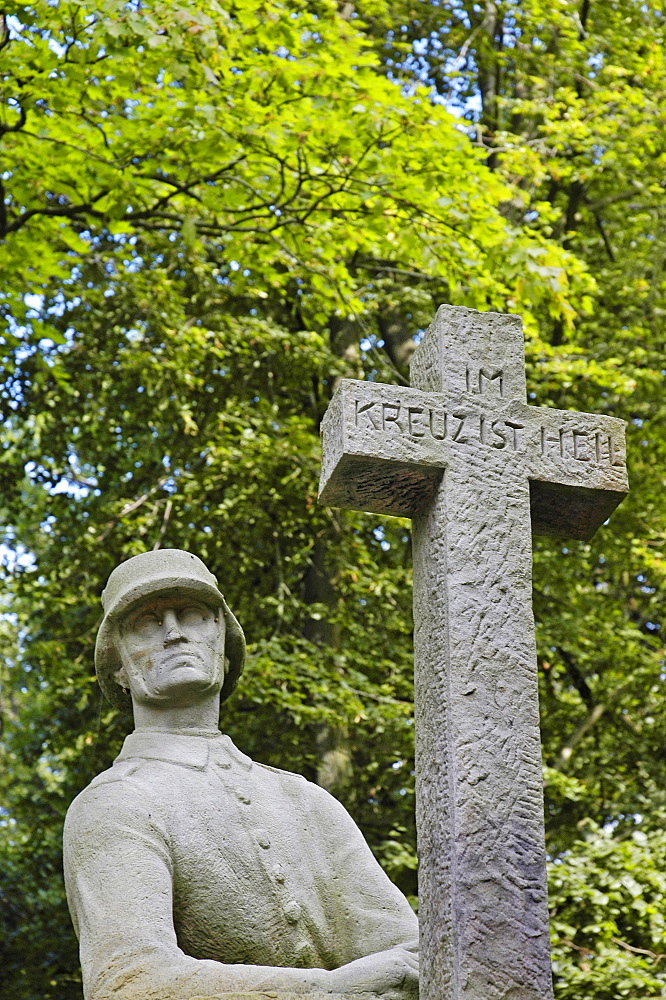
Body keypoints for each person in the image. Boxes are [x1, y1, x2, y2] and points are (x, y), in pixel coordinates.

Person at [63, 549, 419, 1000]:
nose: (173, 634)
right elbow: (129, 981)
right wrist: (327, 990)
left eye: (192, 615)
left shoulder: (305, 800)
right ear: (118, 668)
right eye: (147, 623)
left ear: (224, 649)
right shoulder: (115, 803)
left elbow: (408, 949)